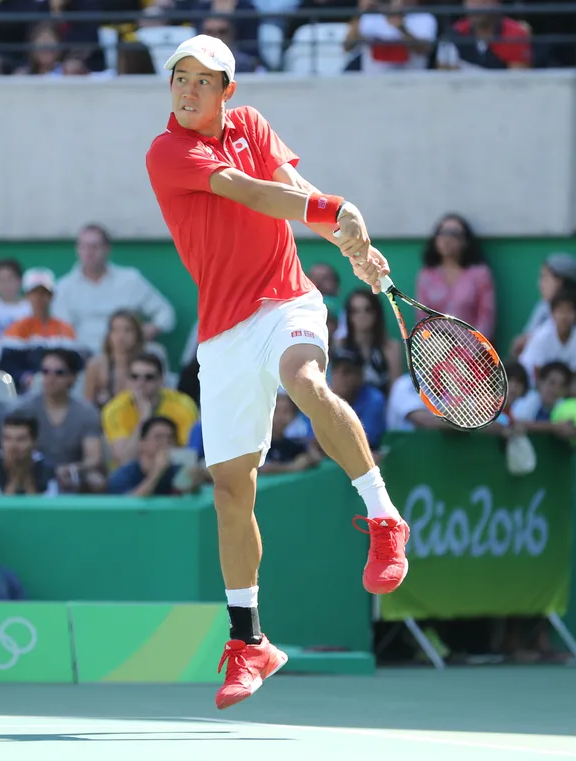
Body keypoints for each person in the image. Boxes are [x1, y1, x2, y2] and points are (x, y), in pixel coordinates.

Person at [145, 34, 408, 710]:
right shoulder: (168, 151)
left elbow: (295, 188)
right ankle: (250, 641)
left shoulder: (253, 124)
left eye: (205, 80)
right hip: (223, 335)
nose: (189, 89)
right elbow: (247, 193)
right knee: (232, 491)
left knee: (306, 380)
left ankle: (383, 517)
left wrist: (356, 247)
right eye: (181, 76)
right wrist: (330, 211)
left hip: (286, 301)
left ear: (227, 91)